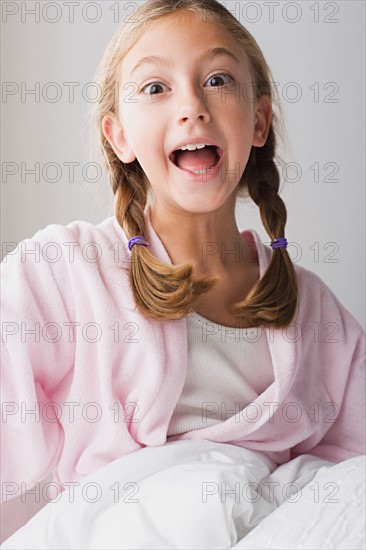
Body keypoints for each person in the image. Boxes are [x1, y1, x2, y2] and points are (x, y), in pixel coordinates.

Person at [1, 0, 365, 510]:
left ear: (259, 122)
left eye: (217, 79)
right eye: (155, 88)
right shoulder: (63, 272)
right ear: (120, 135)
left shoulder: (316, 314)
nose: (192, 104)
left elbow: (349, 480)